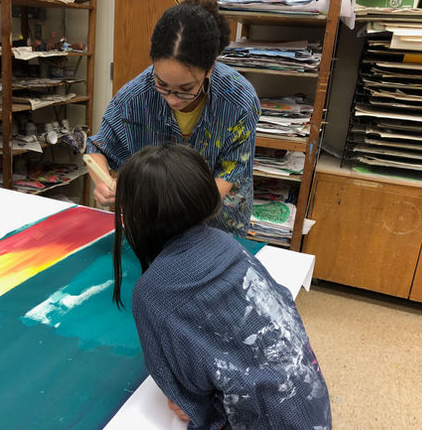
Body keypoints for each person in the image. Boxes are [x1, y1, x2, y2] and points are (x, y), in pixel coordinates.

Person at [112, 144, 332, 430]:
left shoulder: (151, 292)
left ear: (135, 215)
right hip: (313, 407)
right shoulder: (226, 242)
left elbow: (185, 400)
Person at [87, 0, 260, 237]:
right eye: (162, 84)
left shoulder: (237, 100)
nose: (173, 99)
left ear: (209, 68)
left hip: (218, 225)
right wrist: (103, 183)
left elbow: (229, 172)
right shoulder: (135, 96)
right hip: (152, 227)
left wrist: (176, 216)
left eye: (186, 89)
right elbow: (97, 148)